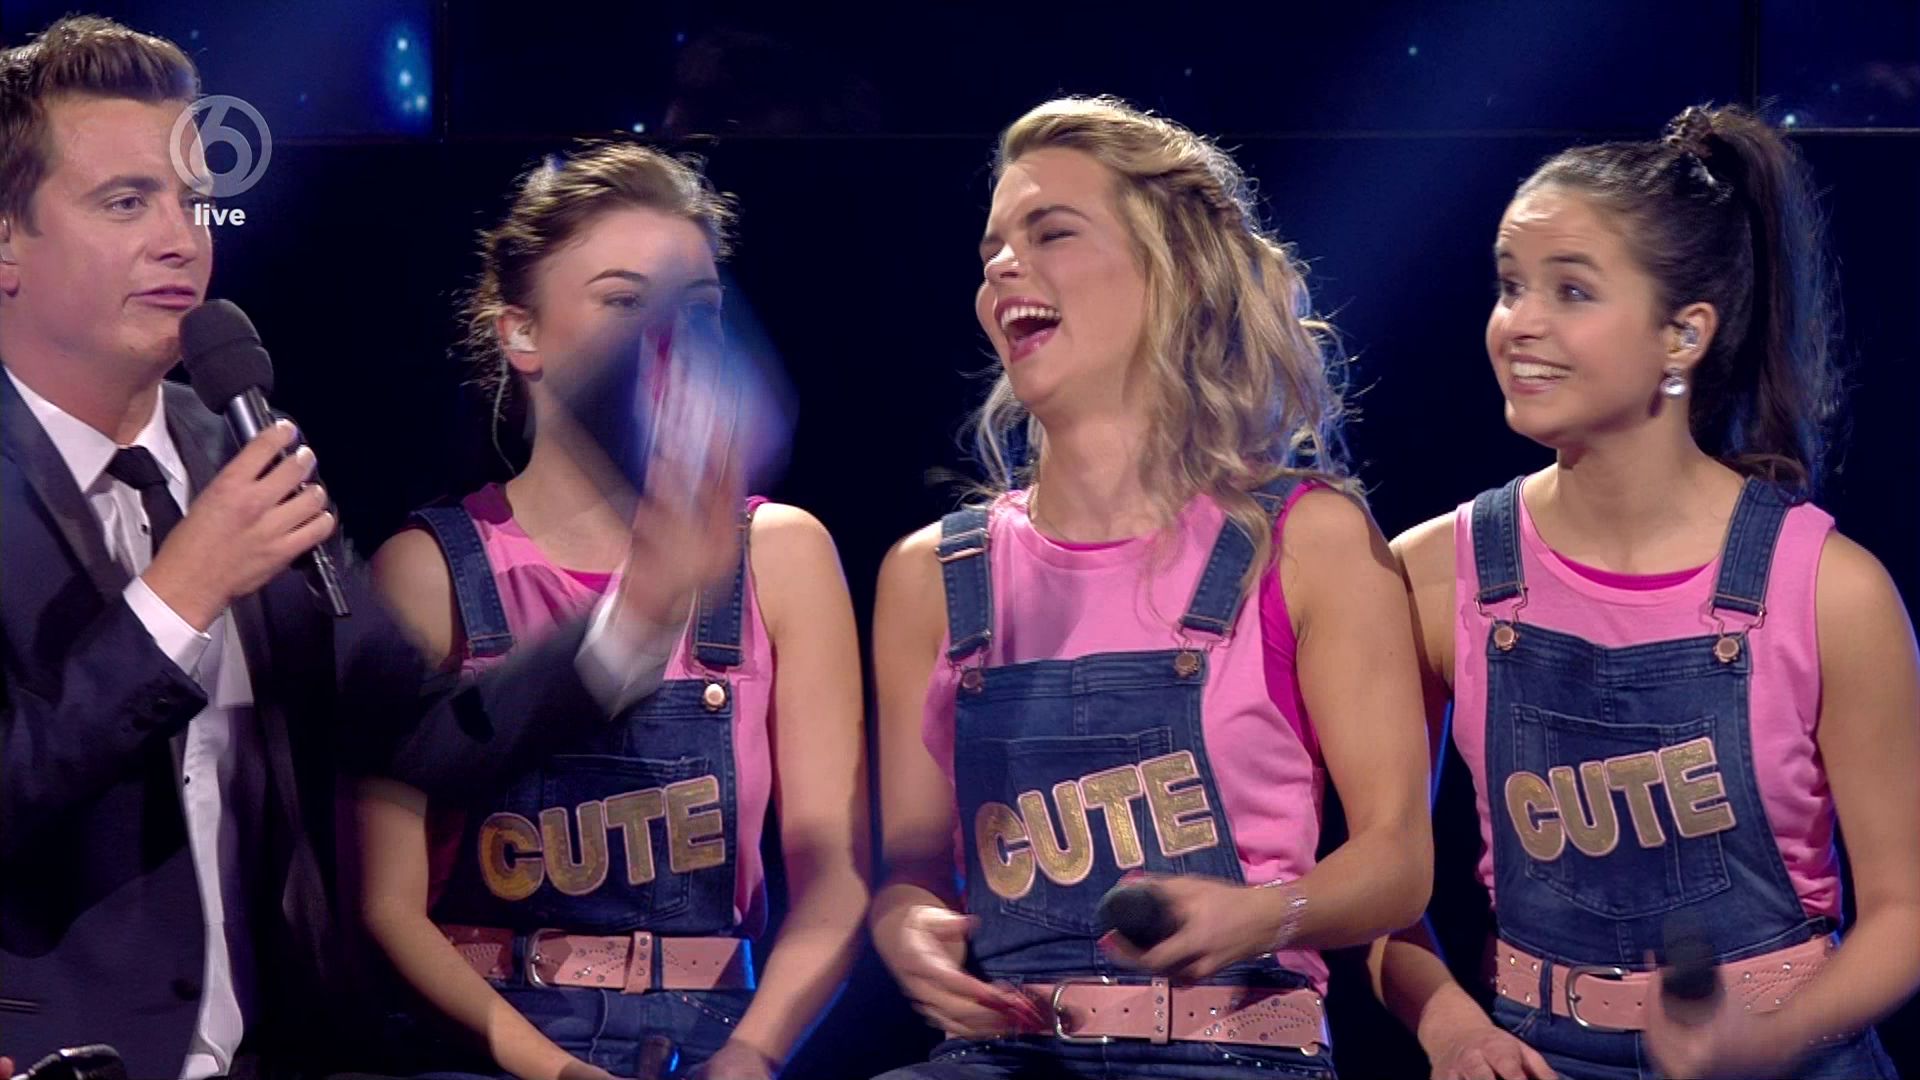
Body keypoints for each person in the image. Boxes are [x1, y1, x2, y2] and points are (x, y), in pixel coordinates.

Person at [0, 17, 722, 1077]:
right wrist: (178, 597)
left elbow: (412, 733)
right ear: (6, 243)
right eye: (126, 202)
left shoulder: (237, 440)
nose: (182, 240)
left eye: (192, 201)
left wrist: (632, 618)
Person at [868, 96, 1432, 1079]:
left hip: (1234, 1055)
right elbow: (912, 873)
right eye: (992, 247)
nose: (1003, 266)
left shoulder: (1306, 542)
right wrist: (904, 926)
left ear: (1174, 268)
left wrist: (1263, 913)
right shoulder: (930, 574)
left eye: (1051, 232)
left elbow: (1397, 859)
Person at [1371, 105, 1918, 1079]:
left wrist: (1762, 1042)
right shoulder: (1432, 572)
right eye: (1509, 286)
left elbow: (1905, 916)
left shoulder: (1831, 590)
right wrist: (1452, 1028)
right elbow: (1378, 885)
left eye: (1571, 290)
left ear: (1684, 334)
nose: (1520, 323)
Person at [358, 142, 868, 1080]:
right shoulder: (428, 571)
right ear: (522, 334)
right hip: (489, 1049)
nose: (668, 337)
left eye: (698, 308)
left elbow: (834, 877)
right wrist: (552, 1069)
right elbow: (387, 904)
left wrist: (752, 1056)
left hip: (713, 1042)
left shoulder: (783, 554)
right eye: (625, 302)